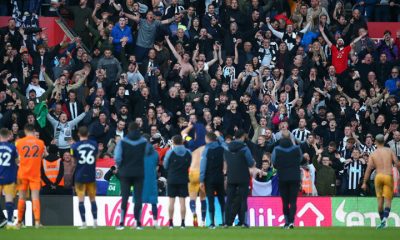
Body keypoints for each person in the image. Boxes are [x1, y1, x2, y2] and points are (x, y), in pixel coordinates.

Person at [114, 122, 154, 230]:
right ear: (138, 130)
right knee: (138, 198)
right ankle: (138, 223)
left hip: (125, 173)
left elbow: (117, 158)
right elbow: (149, 153)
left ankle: (122, 223)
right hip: (139, 172)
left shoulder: (122, 142)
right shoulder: (143, 142)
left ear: (128, 130)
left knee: (125, 197)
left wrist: (121, 166)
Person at [218, 129, 260, 227]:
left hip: (231, 176)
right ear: (242, 137)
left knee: (229, 200)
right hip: (243, 177)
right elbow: (250, 163)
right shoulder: (244, 148)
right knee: (243, 199)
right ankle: (243, 222)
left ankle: (226, 222)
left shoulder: (227, 147)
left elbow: (222, 145)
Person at [362, 134, 399, 229]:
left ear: (375, 142)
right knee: (388, 199)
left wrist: (364, 182)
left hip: (378, 176)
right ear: (384, 141)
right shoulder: (389, 151)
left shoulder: (373, 154)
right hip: (388, 175)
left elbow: (368, 169)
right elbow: (397, 163)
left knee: (380, 201)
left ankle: (382, 221)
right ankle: (384, 219)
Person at [15, 124, 47, 229]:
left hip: (22, 173)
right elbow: (44, 155)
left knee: (21, 198)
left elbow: (17, 158)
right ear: (33, 131)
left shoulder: (19, 142)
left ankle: (19, 222)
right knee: (35, 197)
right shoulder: (40, 143)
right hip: (35, 174)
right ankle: (37, 222)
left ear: (24, 131)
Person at [272, 130, 302, 229]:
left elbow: (274, 162)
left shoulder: (277, 149)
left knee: (285, 201)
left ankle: (286, 222)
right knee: (293, 201)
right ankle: (291, 222)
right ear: (291, 137)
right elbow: (300, 159)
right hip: (295, 177)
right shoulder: (297, 148)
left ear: (280, 138)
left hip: (283, 177)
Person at [70, 126, 99, 229]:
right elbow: (96, 157)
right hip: (91, 175)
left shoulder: (74, 146)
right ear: (88, 134)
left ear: (78, 134)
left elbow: (73, 162)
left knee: (81, 200)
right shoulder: (94, 144)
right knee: (93, 199)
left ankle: (84, 223)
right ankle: (95, 222)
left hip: (80, 176)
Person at [163, 135, 192, 229]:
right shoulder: (188, 152)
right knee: (182, 202)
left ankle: (170, 223)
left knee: (171, 202)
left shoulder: (170, 152)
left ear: (174, 142)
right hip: (183, 179)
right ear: (182, 142)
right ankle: (183, 223)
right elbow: (190, 164)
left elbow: (165, 165)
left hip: (172, 179)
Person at [200, 132, 226, 228]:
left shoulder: (206, 150)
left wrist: (201, 180)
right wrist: (220, 137)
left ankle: (212, 223)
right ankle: (224, 222)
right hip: (219, 176)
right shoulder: (221, 148)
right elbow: (227, 148)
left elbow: (203, 166)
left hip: (209, 178)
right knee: (221, 200)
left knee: (210, 200)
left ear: (207, 139)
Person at [0, 129, 18, 228]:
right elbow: (17, 161)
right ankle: (10, 223)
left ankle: (2, 220)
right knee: (9, 201)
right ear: (8, 136)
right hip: (9, 177)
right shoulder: (12, 147)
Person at [188, 145, 207, 227]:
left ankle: (193, 212)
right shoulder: (206, 148)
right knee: (203, 198)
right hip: (202, 173)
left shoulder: (192, 148)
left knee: (192, 198)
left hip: (192, 172)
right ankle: (203, 221)